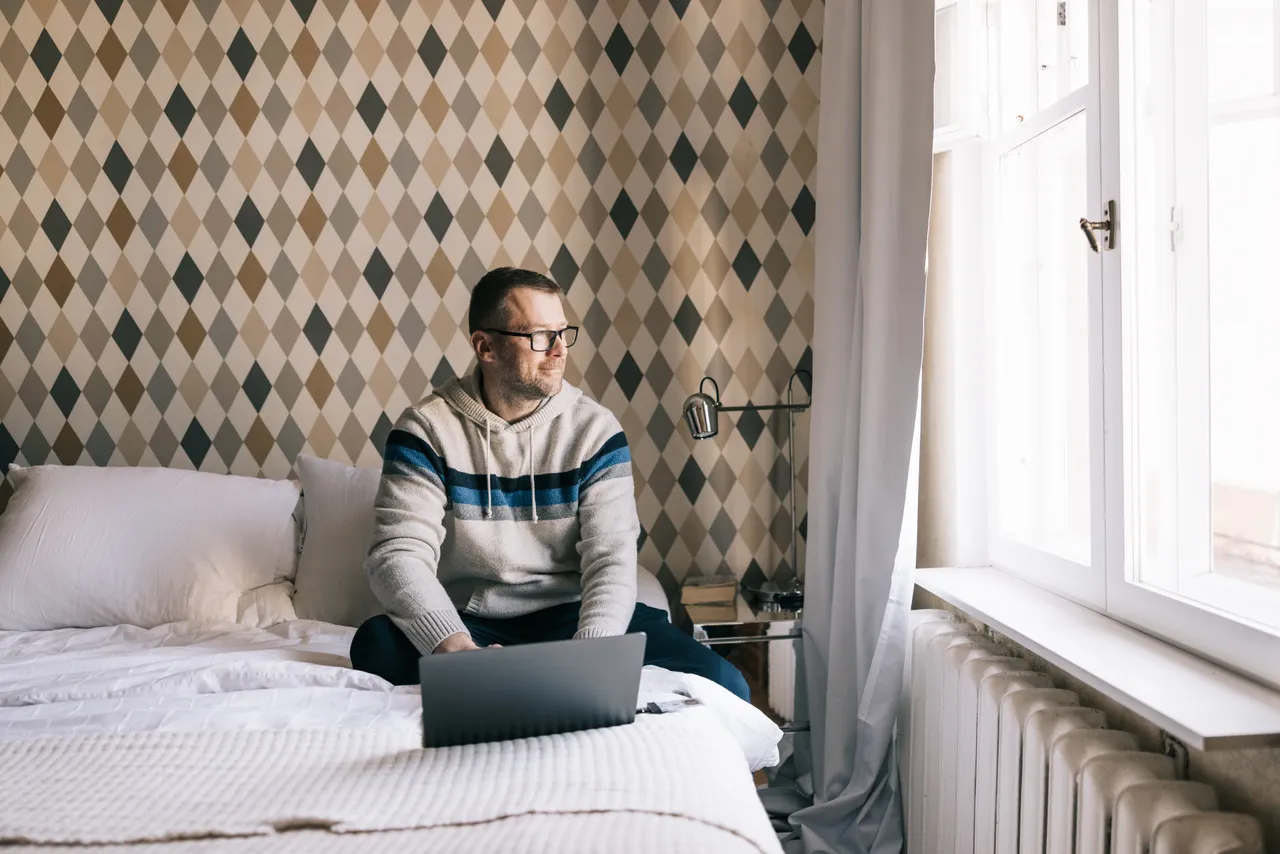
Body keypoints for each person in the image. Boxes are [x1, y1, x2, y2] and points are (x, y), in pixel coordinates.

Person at [349, 267, 751, 702]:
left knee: (726, 684)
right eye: (541, 336)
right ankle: (499, 681)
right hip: (472, 619)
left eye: (563, 332)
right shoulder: (426, 430)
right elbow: (398, 552)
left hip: (573, 614)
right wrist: (457, 648)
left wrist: (592, 652)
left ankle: (520, 685)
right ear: (486, 346)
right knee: (374, 643)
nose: (560, 350)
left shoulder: (595, 431)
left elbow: (611, 556)